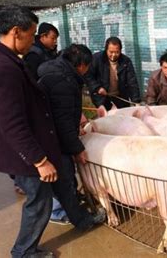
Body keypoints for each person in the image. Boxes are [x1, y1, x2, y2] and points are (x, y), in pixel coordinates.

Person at [0, 5, 60, 258]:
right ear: (15, 32)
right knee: (39, 202)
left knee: (37, 199)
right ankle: (24, 252)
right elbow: (12, 124)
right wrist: (40, 161)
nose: (34, 40)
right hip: (20, 152)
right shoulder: (4, 68)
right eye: (32, 34)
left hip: (12, 149)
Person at [38, 44, 106, 229]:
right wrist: (77, 148)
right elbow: (63, 122)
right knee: (65, 178)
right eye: (88, 65)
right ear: (81, 65)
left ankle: (69, 208)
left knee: (64, 180)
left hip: (48, 135)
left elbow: (64, 114)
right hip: (54, 139)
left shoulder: (54, 70)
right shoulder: (65, 81)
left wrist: (77, 121)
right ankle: (77, 219)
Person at [84, 36, 140, 111]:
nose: (114, 55)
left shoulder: (126, 61)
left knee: (122, 119)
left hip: (120, 97)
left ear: (120, 50)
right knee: (106, 120)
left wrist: (136, 101)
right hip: (102, 98)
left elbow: (132, 82)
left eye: (117, 52)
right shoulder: (96, 59)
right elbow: (88, 75)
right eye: (111, 52)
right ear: (106, 49)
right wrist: (97, 87)